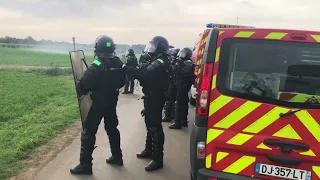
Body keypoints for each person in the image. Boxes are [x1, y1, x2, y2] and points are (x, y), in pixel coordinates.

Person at [70, 35, 126, 175]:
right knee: (112, 128)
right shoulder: (118, 63)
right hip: (112, 100)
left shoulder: (97, 65)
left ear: (97, 48)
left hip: (99, 102)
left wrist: (81, 84)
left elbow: (82, 86)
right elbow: (122, 83)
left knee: (89, 132)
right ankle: (117, 156)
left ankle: (85, 165)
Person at [124, 36, 171, 171]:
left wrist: (125, 68)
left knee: (155, 127)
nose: (150, 48)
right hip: (151, 96)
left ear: (159, 48)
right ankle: (149, 150)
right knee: (149, 124)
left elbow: (144, 74)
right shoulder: (157, 60)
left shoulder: (160, 62)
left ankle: (158, 158)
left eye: (153, 46)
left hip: (156, 97)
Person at [169, 47, 196, 129]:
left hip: (183, 86)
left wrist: (178, 65)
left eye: (183, 53)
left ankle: (177, 123)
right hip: (181, 85)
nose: (181, 55)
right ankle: (183, 121)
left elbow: (184, 72)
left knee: (179, 103)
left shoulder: (188, 63)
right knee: (183, 103)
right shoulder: (183, 62)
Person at [162, 47, 180, 123]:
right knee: (173, 100)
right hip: (175, 83)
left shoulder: (176, 63)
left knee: (170, 100)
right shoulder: (176, 62)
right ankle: (171, 115)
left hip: (173, 83)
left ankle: (168, 116)